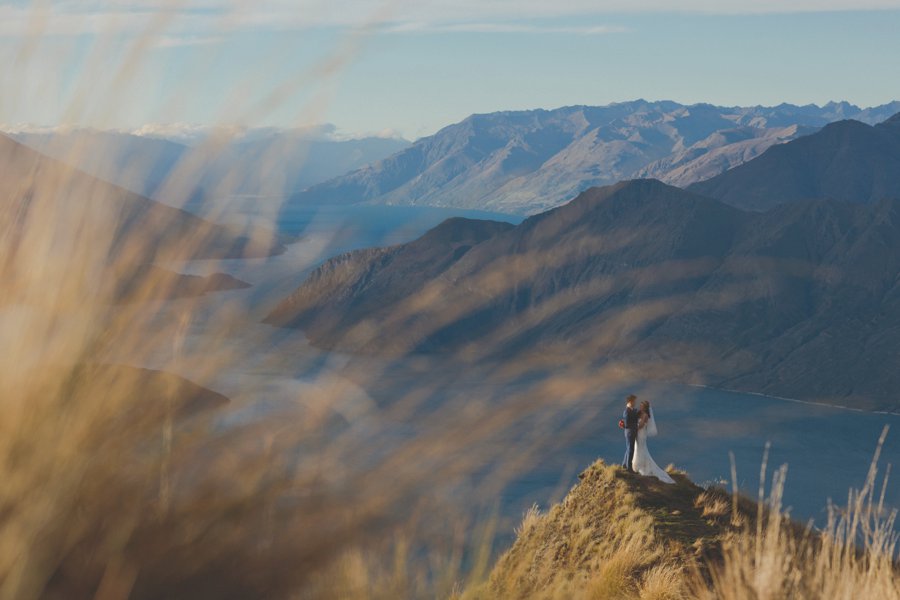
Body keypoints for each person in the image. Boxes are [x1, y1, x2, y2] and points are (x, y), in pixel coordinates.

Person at [632, 400, 675, 484]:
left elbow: (641, 425)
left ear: (645, 407)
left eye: (642, 406)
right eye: (640, 405)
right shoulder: (639, 413)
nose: (640, 406)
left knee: (640, 449)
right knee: (637, 447)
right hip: (637, 433)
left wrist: (632, 428)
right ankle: (639, 466)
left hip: (641, 434)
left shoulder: (645, 415)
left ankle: (639, 466)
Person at [621, 394, 639, 473]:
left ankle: (624, 464)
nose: (635, 403)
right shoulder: (627, 411)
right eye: (634, 401)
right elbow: (627, 424)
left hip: (631, 432)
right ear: (630, 402)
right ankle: (629, 467)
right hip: (630, 432)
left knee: (629, 448)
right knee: (630, 449)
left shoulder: (632, 410)